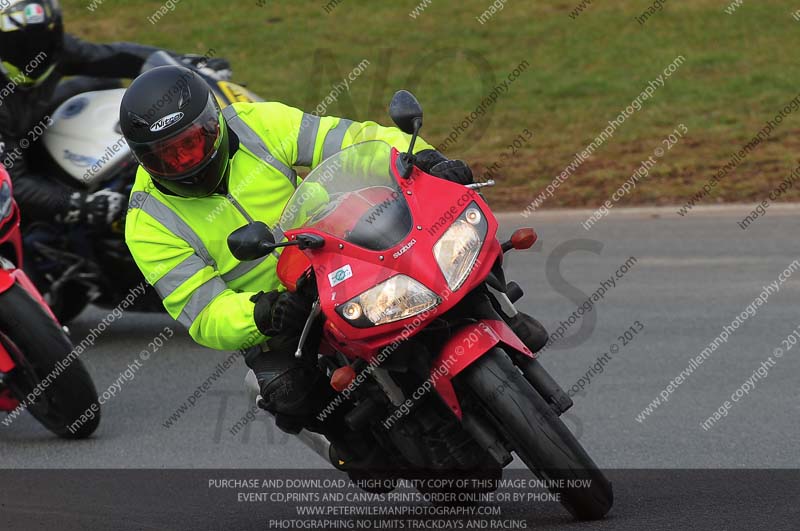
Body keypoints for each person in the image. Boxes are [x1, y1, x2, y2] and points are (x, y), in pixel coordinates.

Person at [120, 65, 547, 465]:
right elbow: (202, 311)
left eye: (192, 144)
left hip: (339, 245)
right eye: (168, 157)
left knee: (449, 231)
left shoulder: (255, 124)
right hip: (279, 307)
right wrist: (261, 313)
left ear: (214, 124)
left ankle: (497, 310)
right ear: (144, 160)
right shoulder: (148, 223)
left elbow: (352, 142)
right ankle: (363, 452)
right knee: (290, 393)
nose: (186, 161)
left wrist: (424, 160)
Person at [0, 0, 228, 230]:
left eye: (40, 41)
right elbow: (12, 182)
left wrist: (187, 64)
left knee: (103, 81)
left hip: (29, 125)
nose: (32, 51)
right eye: (19, 46)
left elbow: (113, 57)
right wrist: (80, 205)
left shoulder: (52, 50)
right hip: (8, 162)